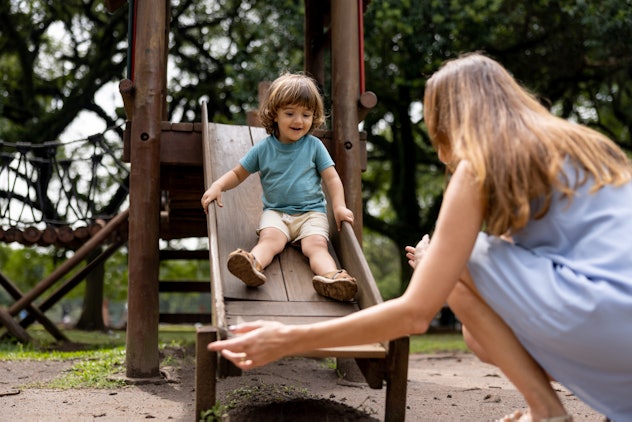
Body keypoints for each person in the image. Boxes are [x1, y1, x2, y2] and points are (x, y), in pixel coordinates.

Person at [207, 53, 632, 421]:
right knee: (475, 333)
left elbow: (415, 315)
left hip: (604, 318)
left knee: (455, 266)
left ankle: (547, 412)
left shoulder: (479, 166)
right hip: (620, 350)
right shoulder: (586, 147)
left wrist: (289, 339)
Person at [201, 72, 357, 302]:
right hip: (277, 213)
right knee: (269, 241)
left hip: (311, 213)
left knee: (316, 246)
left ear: (313, 117)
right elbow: (238, 173)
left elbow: (332, 178)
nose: (298, 121)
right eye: (290, 113)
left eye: (306, 114)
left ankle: (332, 278)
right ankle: (252, 265)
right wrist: (218, 185)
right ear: (275, 115)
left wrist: (340, 207)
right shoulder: (263, 149)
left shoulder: (314, 146)